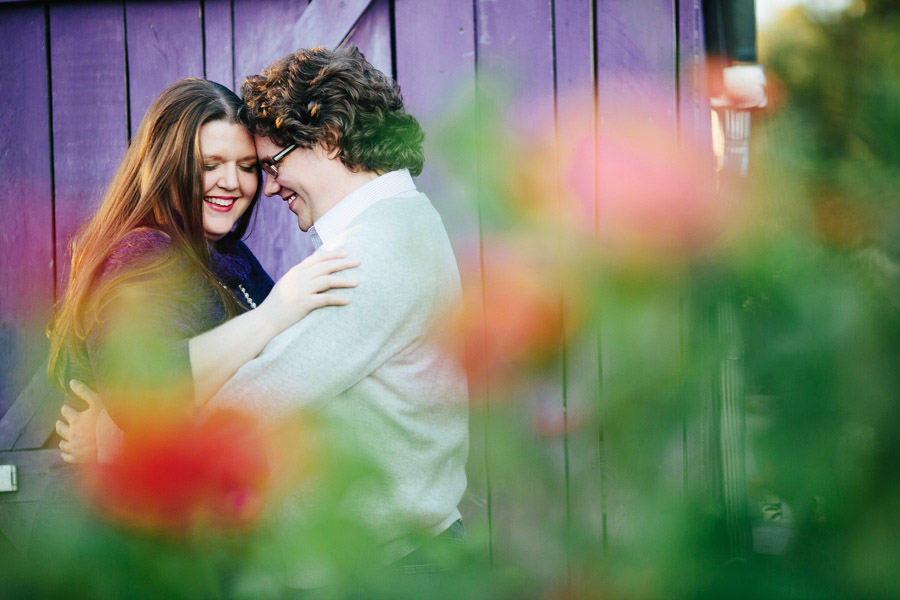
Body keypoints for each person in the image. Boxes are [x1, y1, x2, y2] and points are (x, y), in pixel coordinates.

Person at [202, 45, 469, 583]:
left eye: (273, 164)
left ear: (326, 137)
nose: (270, 186)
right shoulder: (403, 221)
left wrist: (123, 436)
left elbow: (250, 406)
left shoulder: (373, 254)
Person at [49, 77, 359, 462]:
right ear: (165, 164)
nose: (231, 183)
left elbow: (285, 364)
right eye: (210, 165)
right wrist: (272, 314)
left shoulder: (228, 255)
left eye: (246, 167)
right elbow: (137, 400)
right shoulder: (142, 254)